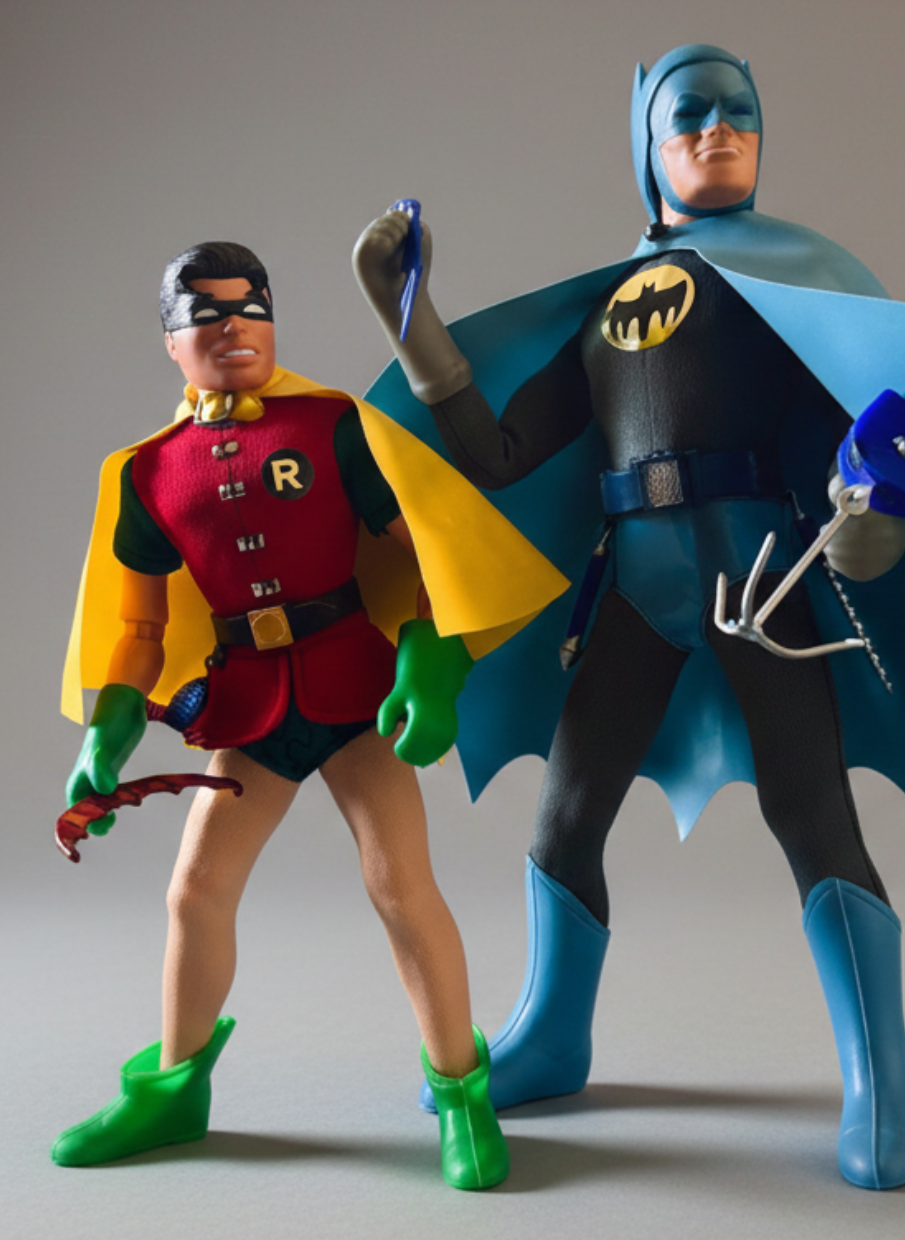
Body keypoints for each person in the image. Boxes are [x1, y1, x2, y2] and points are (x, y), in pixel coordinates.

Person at [353, 45, 905, 1190]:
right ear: (648, 145)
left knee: (812, 817)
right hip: (635, 587)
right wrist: (414, 323)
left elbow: (877, 418)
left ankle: (879, 1076)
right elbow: (501, 454)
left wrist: (876, 521)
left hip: (766, 582)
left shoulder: (804, 277)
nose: (719, 129)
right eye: (689, 113)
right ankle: (552, 1033)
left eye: (740, 111)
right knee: (566, 814)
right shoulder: (606, 307)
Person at [54, 241, 565, 1190]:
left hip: (353, 689)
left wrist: (429, 664)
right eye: (207, 313)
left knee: (399, 886)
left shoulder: (331, 425)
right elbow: (138, 626)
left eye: (252, 305)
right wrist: (106, 733)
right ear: (171, 341)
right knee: (194, 892)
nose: (235, 326)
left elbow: (428, 550)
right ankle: (173, 1090)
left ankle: (461, 1091)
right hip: (250, 702)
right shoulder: (149, 471)